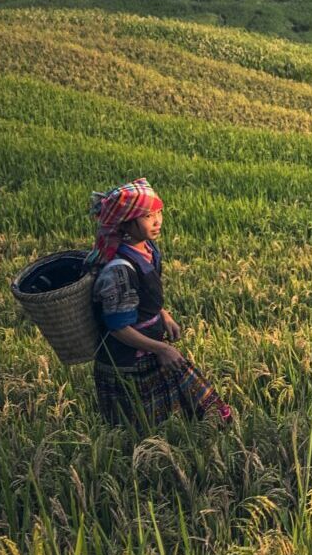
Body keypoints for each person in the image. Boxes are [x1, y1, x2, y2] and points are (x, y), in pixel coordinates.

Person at [88, 179, 234, 427]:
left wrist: (164, 316)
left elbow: (145, 296)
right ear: (125, 222)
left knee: (207, 411)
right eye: (147, 216)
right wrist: (162, 349)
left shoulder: (149, 249)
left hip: (151, 346)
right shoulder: (118, 271)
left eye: (159, 212)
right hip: (128, 361)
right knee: (140, 428)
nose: (157, 221)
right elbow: (118, 327)